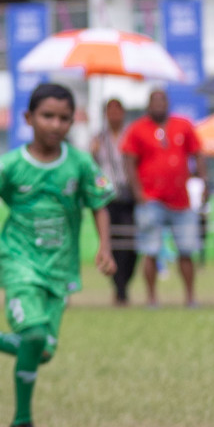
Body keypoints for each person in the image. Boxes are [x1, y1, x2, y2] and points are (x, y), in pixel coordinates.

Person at [0, 83, 115, 427]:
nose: (56, 125)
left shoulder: (80, 163)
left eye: (64, 118)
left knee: (42, 351)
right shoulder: (8, 165)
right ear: (28, 118)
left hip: (60, 270)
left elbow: (99, 203)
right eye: (47, 116)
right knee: (35, 336)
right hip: (20, 263)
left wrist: (105, 246)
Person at [121, 89, 202, 307]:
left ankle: (190, 297)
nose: (158, 104)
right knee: (150, 250)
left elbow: (198, 153)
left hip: (181, 200)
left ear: (168, 103)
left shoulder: (183, 125)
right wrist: (138, 193)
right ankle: (152, 298)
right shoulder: (136, 129)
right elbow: (128, 161)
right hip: (150, 199)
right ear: (147, 104)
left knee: (186, 250)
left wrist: (204, 181)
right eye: (154, 100)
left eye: (162, 100)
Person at [91, 99, 137, 305]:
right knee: (111, 242)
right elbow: (92, 168)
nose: (114, 115)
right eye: (110, 111)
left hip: (129, 195)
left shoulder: (131, 136)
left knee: (130, 244)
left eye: (118, 111)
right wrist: (93, 152)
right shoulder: (99, 138)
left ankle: (124, 283)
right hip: (108, 197)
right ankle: (119, 288)